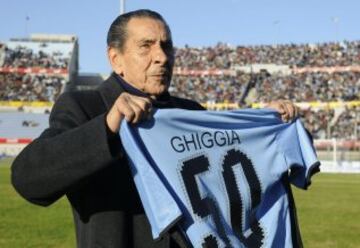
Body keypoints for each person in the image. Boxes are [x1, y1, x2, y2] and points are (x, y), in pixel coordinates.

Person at [11, 9, 298, 248]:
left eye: (166, 45)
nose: (161, 56)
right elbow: (28, 179)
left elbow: (240, 167)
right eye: (146, 46)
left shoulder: (189, 112)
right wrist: (107, 127)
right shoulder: (85, 106)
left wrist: (268, 121)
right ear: (116, 59)